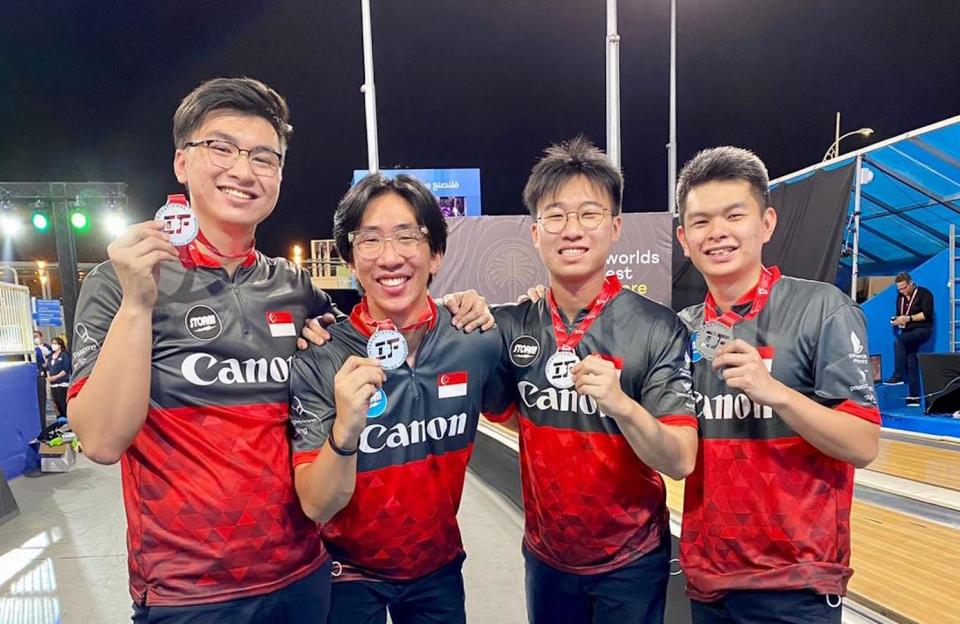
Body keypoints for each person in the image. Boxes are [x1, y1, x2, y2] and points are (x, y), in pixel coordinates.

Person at [66, 77, 491, 623]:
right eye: (220, 148)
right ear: (181, 162)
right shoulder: (119, 282)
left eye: (263, 157)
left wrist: (451, 308)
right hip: (188, 594)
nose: (243, 171)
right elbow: (100, 441)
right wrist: (137, 304)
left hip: (305, 579)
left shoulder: (294, 291)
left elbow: (373, 331)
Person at [491, 137, 698, 624]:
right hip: (546, 561)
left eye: (589, 214)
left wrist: (623, 405)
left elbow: (681, 459)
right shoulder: (511, 326)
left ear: (615, 227)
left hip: (631, 561)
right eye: (555, 216)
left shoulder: (657, 327)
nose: (572, 230)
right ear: (535, 231)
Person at [289, 173, 512, 624]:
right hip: (345, 572)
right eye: (369, 240)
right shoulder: (320, 355)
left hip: (438, 568)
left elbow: (517, 417)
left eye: (408, 236)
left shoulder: (474, 338)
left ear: (437, 255)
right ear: (350, 259)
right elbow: (316, 504)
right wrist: (346, 429)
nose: (390, 257)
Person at [674, 146, 881, 623]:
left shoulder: (823, 309)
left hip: (795, 582)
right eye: (701, 222)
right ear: (684, 238)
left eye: (734, 215)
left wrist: (778, 394)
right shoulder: (681, 328)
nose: (718, 233)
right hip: (709, 577)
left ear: (766, 223)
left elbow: (863, 444)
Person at [887, 271, 934, 406]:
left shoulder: (924, 293)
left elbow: (927, 314)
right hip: (908, 331)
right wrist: (897, 320)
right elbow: (900, 314)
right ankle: (914, 398)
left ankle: (898, 376)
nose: (902, 291)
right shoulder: (900, 297)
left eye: (904, 288)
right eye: (899, 289)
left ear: (911, 284)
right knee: (911, 361)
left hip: (923, 330)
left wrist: (908, 318)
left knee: (899, 341)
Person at [46, 336, 72, 418]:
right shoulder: (50, 357)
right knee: (56, 403)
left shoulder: (64, 355)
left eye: (55, 343)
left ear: (60, 345)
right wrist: (49, 376)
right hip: (53, 384)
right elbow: (48, 368)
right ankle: (60, 419)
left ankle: (67, 418)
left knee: (63, 402)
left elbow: (65, 369)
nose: (53, 345)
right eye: (52, 343)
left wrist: (56, 377)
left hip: (62, 383)